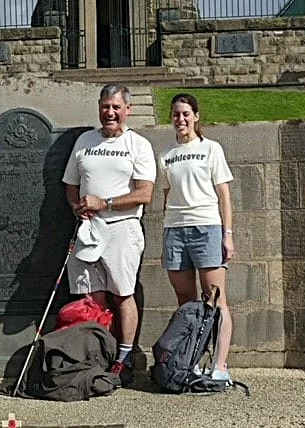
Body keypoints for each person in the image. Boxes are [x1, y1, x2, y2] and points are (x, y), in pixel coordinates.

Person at [62, 84, 156, 386]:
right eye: (105, 106)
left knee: (122, 294)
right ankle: (99, 354)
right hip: (89, 229)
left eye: (116, 107)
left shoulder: (138, 144)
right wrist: (77, 207)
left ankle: (124, 358)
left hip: (122, 228)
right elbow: (71, 183)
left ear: (127, 110)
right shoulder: (84, 141)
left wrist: (107, 203)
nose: (110, 112)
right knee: (93, 298)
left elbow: (145, 193)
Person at [159, 93, 235, 383]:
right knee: (186, 303)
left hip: (206, 227)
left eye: (186, 114)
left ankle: (219, 365)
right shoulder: (166, 156)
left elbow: (224, 195)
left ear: (196, 116)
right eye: (176, 114)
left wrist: (227, 235)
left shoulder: (211, 149)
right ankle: (189, 361)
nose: (181, 119)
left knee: (216, 301)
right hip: (175, 231)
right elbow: (168, 195)